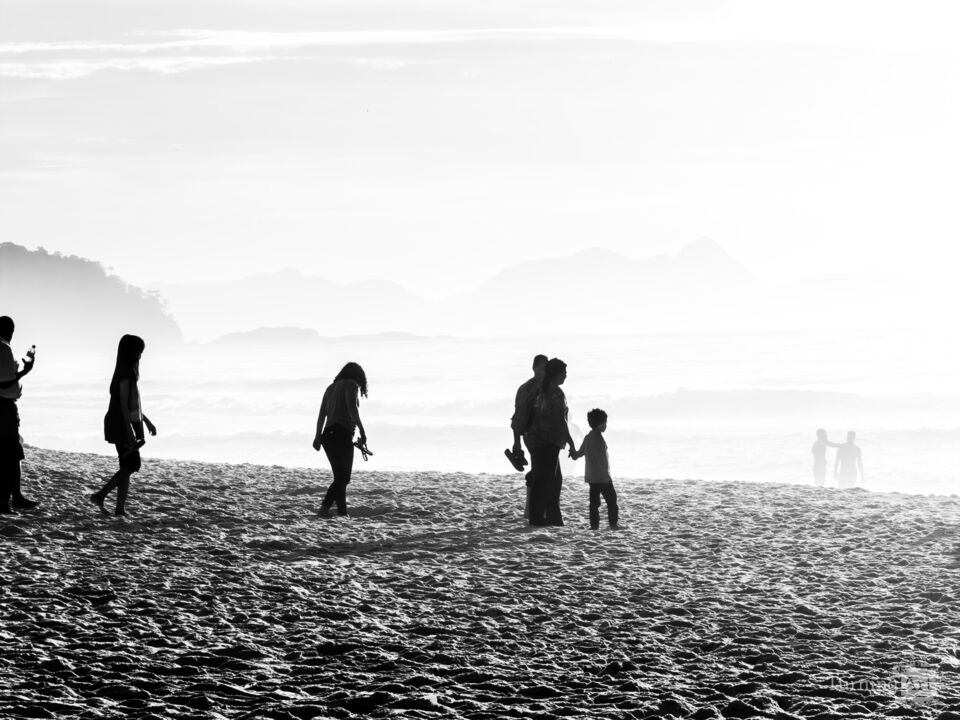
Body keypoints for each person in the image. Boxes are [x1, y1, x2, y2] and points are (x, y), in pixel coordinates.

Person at [90, 335, 157, 516]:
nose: (141, 355)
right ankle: (100, 495)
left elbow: (130, 403)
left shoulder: (127, 371)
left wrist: (146, 421)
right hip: (120, 423)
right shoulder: (126, 372)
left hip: (121, 422)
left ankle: (119, 508)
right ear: (131, 352)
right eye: (139, 351)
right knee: (132, 465)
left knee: (126, 467)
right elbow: (122, 404)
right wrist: (128, 430)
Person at [312, 362, 368, 517]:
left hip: (327, 436)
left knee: (340, 478)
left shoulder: (330, 388)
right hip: (342, 434)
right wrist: (362, 431)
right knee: (343, 478)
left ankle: (342, 513)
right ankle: (325, 509)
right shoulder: (351, 385)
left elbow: (322, 414)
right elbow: (352, 408)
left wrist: (317, 436)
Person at [526, 358, 575, 526]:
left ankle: (545, 517)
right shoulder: (556, 393)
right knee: (547, 481)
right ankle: (538, 519)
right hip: (548, 441)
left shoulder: (539, 389)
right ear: (557, 374)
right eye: (564, 373)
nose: (566, 376)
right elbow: (560, 421)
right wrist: (571, 442)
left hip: (534, 440)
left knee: (547, 479)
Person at [0, 316, 38, 513]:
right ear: (11, 331)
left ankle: (15, 496)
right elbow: (4, 383)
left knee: (14, 450)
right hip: (4, 406)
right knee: (11, 453)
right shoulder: (4, 348)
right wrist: (25, 371)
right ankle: (6, 500)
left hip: (5, 406)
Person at [509, 354, 547, 518]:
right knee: (539, 470)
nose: (544, 371)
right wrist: (516, 442)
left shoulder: (547, 387)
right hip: (532, 435)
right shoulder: (526, 389)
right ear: (534, 368)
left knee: (540, 470)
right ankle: (531, 509)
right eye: (542, 367)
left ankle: (532, 509)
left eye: (546, 368)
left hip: (545, 435)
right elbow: (518, 417)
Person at [571, 408, 619, 530]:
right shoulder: (600, 438)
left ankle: (594, 526)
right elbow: (602, 459)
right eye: (605, 423)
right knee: (612, 502)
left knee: (594, 504)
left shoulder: (587, 438)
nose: (606, 425)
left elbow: (578, 455)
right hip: (603, 478)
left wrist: (572, 451)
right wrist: (607, 475)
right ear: (600, 424)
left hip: (592, 478)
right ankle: (613, 525)